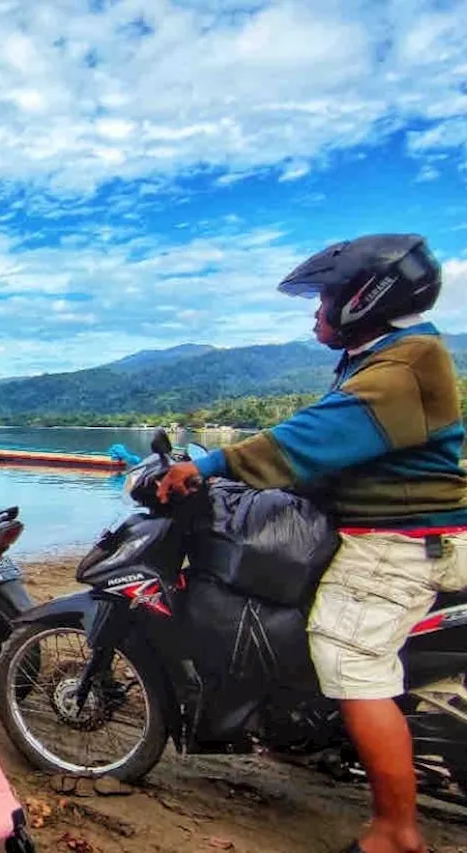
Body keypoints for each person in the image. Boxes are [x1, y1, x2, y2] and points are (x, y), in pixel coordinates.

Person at [157, 234, 467, 853]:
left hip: (397, 545)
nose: (317, 311)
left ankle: (396, 833)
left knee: (351, 660)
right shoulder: (389, 356)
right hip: (397, 531)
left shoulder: (402, 364)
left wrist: (207, 464)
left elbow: (303, 441)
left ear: (365, 297)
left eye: (326, 297)